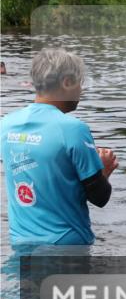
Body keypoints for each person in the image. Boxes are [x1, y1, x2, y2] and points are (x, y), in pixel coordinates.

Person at [0, 47, 118, 246]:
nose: (81, 90)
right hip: (67, 245)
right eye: (79, 83)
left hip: (21, 242)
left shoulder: (6, 125)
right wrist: (104, 170)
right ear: (67, 82)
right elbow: (99, 196)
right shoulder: (73, 129)